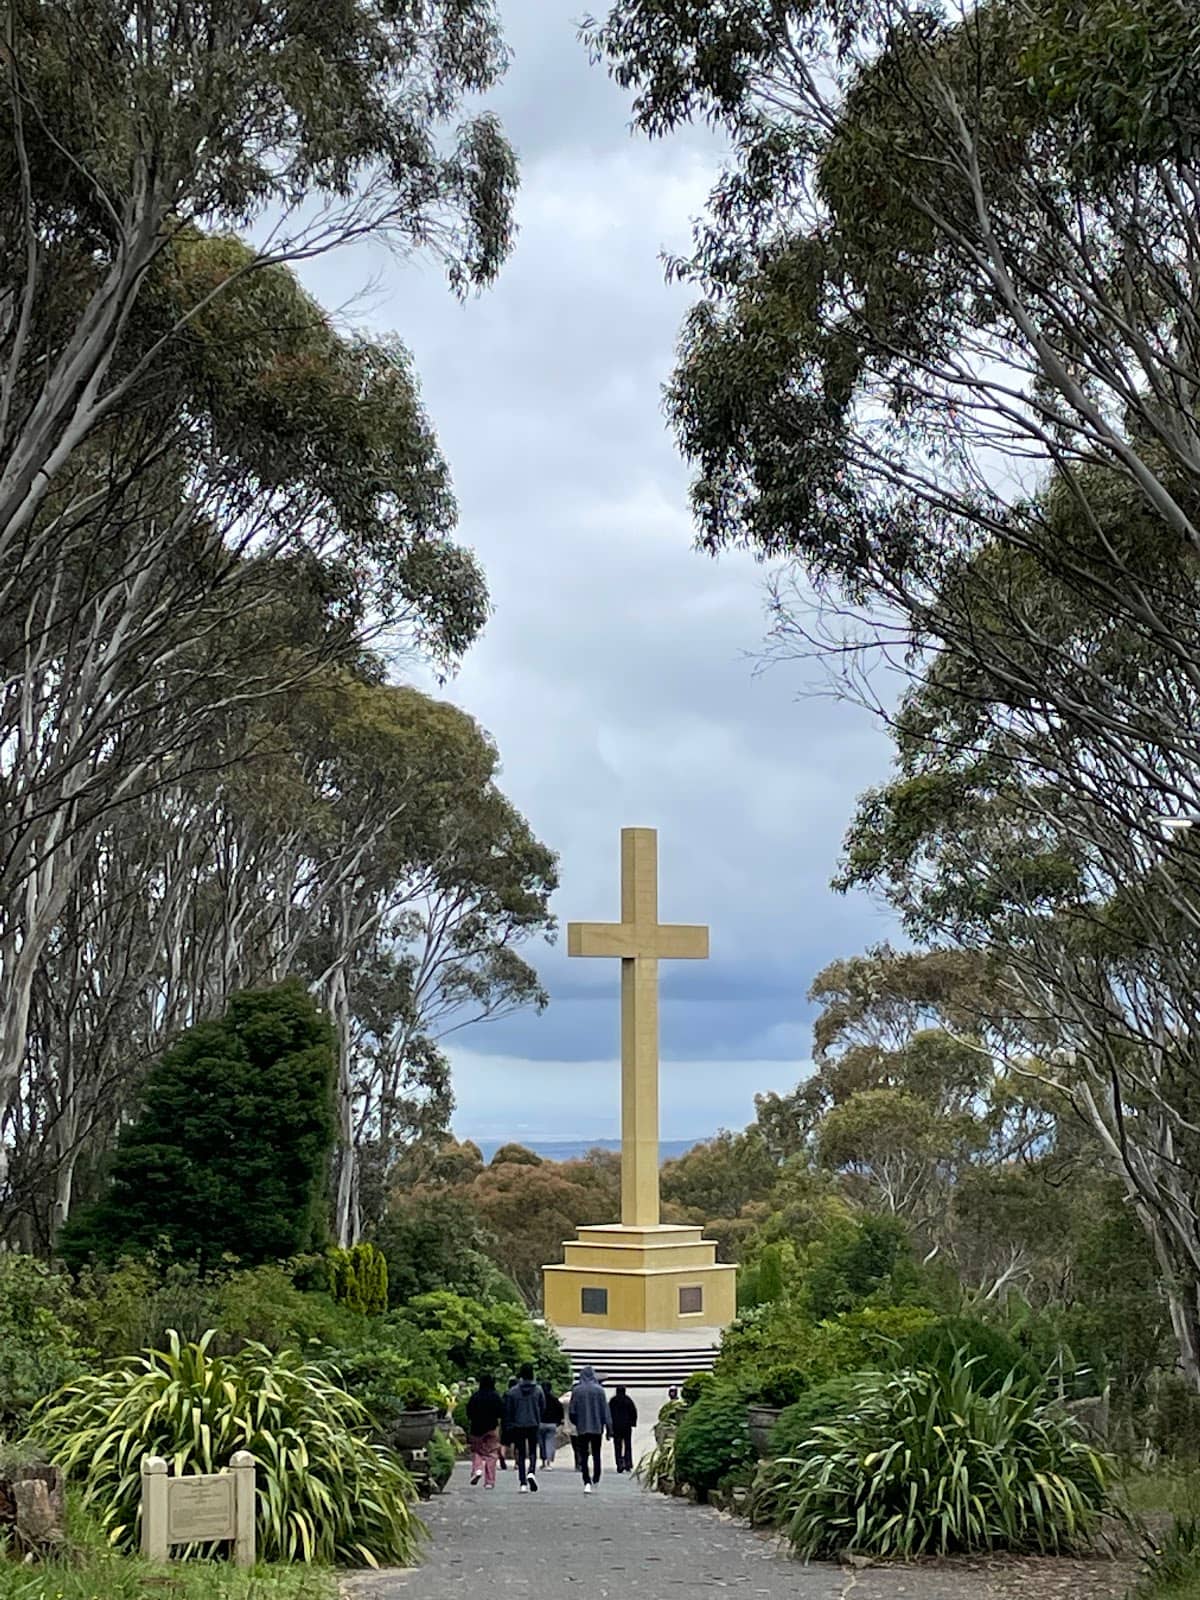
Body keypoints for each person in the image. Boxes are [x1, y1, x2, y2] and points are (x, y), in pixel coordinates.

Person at [569, 1365, 611, 1494]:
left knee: (584, 1454)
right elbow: (605, 1410)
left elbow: (572, 1411)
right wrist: (608, 1427)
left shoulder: (577, 1390)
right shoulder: (599, 1390)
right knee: (596, 1453)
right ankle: (596, 1476)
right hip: (597, 1427)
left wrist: (577, 1422)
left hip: (582, 1427)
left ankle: (586, 1479)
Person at [503, 1363, 545, 1493]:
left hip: (518, 1425)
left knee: (520, 1453)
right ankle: (531, 1471)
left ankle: (522, 1483)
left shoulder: (513, 1392)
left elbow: (508, 1410)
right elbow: (543, 1407)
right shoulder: (538, 1390)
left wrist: (509, 1425)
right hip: (533, 1423)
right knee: (533, 1450)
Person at [465, 1373, 504, 1490]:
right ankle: (489, 1482)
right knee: (491, 1454)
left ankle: (477, 1469)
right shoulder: (495, 1396)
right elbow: (501, 1412)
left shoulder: (475, 1397)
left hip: (476, 1428)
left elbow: (469, 1412)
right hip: (491, 1427)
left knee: (477, 1451)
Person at [609, 1385, 638, 1474]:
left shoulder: (613, 1401)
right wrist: (633, 1423)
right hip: (626, 1426)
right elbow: (634, 1412)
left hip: (616, 1426)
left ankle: (619, 1464)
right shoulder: (628, 1400)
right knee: (627, 1445)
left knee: (617, 1446)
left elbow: (608, 1414)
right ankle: (628, 1463)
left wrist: (608, 1428)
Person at [539, 1382, 564, 1468]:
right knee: (549, 1443)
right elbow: (560, 1411)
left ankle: (543, 1461)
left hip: (540, 1423)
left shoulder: (539, 1399)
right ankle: (548, 1462)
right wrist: (559, 1422)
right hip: (552, 1424)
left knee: (541, 1444)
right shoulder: (555, 1400)